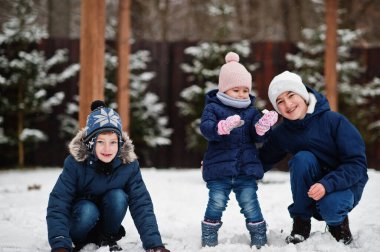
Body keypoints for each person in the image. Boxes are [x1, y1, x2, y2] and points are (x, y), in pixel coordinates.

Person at [259, 70, 368, 245]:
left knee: (331, 205)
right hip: (312, 188)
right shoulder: (282, 133)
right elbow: (259, 161)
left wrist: (328, 184)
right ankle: (301, 224)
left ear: (303, 94)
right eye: (280, 101)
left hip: (344, 185)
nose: (287, 104)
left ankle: (338, 224)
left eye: (291, 95)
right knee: (302, 159)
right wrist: (218, 166)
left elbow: (357, 164)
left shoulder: (334, 121)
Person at [46, 100, 170, 252]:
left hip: (106, 223)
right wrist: (60, 244)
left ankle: (106, 237)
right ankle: (77, 241)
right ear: (91, 143)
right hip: (80, 221)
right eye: (100, 142)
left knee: (118, 196)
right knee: (88, 210)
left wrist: (154, 244)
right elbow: (58, 203)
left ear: (119, 143)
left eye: (112, 142)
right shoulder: (75, 163)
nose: (107, 148)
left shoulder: (128, 165)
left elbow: (141, 204)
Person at [199, 52, 278, 248]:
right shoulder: (213, 109)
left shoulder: (251, 111)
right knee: (216, 203)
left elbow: (258, 138)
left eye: (245, 90)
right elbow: (206, 128)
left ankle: (259, 238)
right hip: (219, 170)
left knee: (250, 204)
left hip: (246, 170)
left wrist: (262, 127)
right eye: (236, 90)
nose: (242, 94)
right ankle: (209, 238)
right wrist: (221, 128)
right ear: (224, 89)